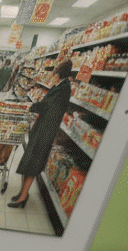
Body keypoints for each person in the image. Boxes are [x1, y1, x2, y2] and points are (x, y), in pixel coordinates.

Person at [7, 58, 77, 209]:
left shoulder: (63, 88)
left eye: (54, 73)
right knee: (29, 161)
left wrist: (31, 106)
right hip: (42, 128)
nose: (52, 76)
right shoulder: (62, 86)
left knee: (32, 163)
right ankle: (22, 193)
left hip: (45, 131)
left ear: (58, 74)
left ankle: (22, 198)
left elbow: (47, 106)